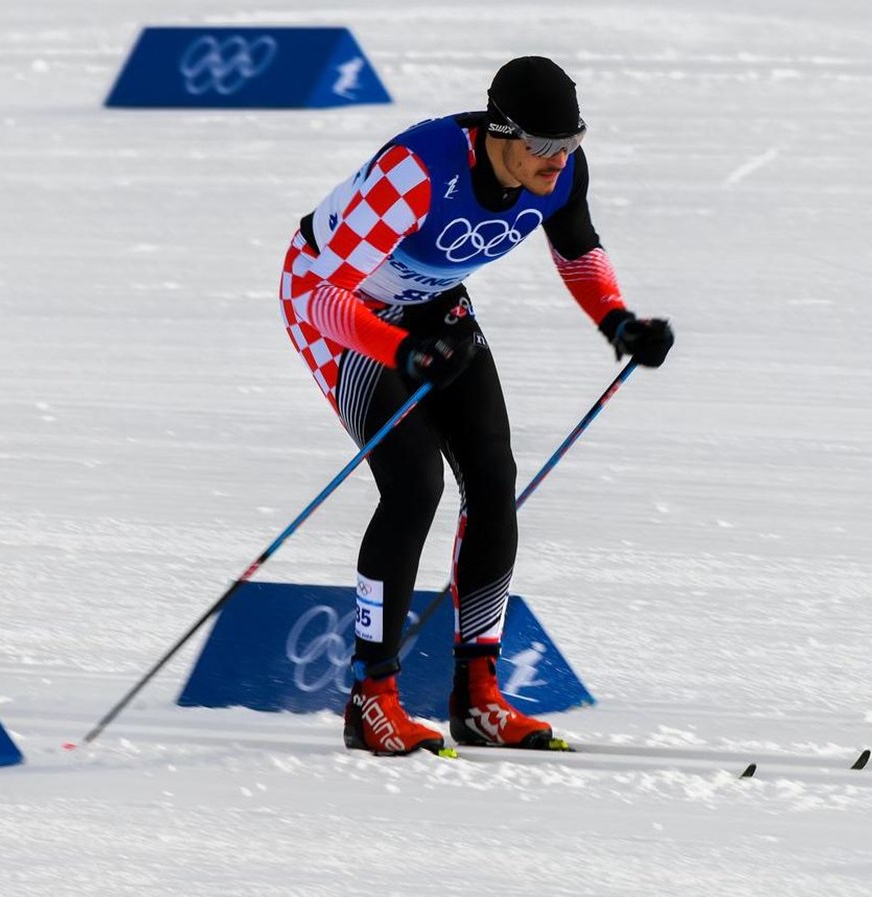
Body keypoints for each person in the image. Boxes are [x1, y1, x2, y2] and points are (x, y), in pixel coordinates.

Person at [277, 56, 673, 755]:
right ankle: (371, 698)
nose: (559, 162)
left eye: (571, 143)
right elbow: (323, 297)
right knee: (413, 483)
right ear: (500, 133)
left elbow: (578, 249)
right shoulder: (418, 171)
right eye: (544, 147)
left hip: (430, 303)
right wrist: (398, 352)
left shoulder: (561, 171)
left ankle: (477, 696)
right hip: (338, 308)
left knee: (493, 478)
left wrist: (618, 322)